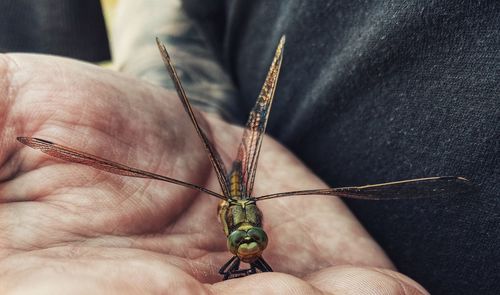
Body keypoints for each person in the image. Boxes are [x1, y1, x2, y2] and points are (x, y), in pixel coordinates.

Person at [0, 0, 497, 294]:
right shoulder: (237, 231)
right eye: (247, 244)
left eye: (248, 243)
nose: (250, 248)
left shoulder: (248, 239)